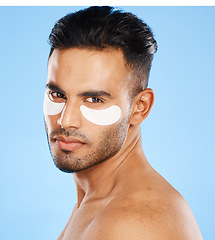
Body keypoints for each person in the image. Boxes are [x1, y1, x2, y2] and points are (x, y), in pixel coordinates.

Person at [43, 6, 203, 240]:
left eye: (94, 99)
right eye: (58, 95)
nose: (66, 119)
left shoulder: (133, 224)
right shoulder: (97, 200)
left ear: (140, 107)